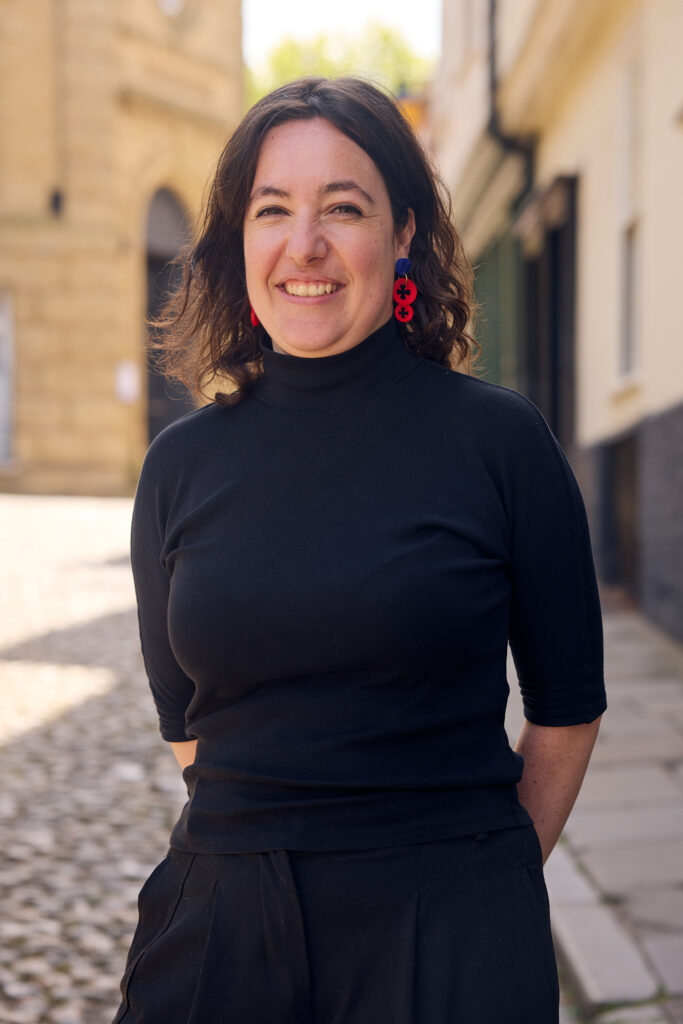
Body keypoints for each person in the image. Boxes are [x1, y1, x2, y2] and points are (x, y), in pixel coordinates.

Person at [112, 76, 606, 1024]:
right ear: (240, 240)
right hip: (219, 934)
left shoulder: (499, 443)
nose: (305, 246)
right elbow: (186, 724)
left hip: (448, 931)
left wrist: (482, 881)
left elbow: (566, 710)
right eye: (272, 211)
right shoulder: (178, 466)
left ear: (405, 231)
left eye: (344, 207)